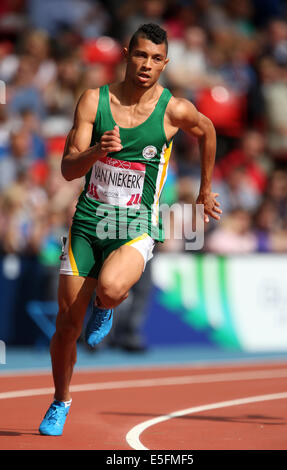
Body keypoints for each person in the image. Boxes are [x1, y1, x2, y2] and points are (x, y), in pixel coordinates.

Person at [39, 23, 222, 436]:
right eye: (140, 55)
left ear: (165, 63)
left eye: (156, 58)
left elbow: (208, 131)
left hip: (136, 223)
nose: (147, 64)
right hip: (88, 223)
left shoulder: (174, 110)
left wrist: (204, 190)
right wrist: (96, 150)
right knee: (66, 327)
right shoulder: (93, 101)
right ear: (126, 53)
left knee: (111, 288)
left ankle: (106, 306)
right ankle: (60, 400)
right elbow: (69, 170)